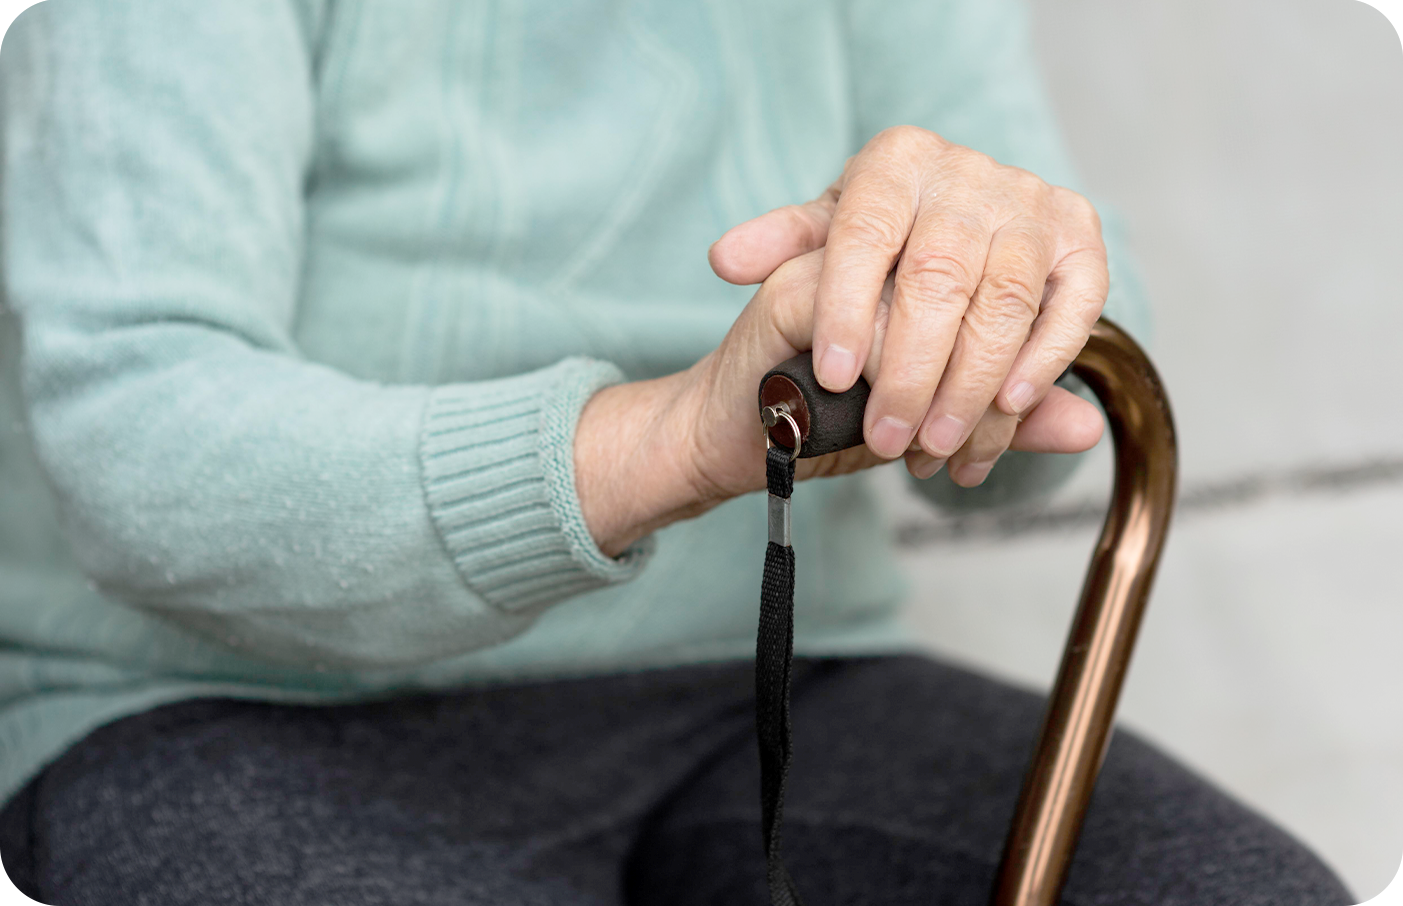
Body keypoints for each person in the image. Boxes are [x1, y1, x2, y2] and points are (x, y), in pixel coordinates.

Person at [0, 1, 1351, 904]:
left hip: (768, 684)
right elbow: (140, 440)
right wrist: (678, 438)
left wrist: (994, 298)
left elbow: (1067, 409)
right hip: (222, 706)